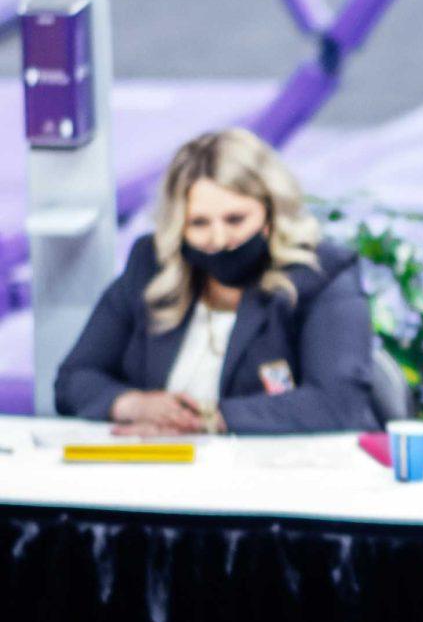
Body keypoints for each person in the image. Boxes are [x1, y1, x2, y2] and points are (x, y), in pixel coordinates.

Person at [54, 127, 378, 435]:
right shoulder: (151, 266)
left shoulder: (322, 276)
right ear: (178, 226)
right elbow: (74, 379)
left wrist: (207, 420)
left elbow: (337, 404)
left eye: (235, 219)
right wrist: (133, 405)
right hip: (158, 478)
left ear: (271, 214)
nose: (219, 239)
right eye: (199, 223)